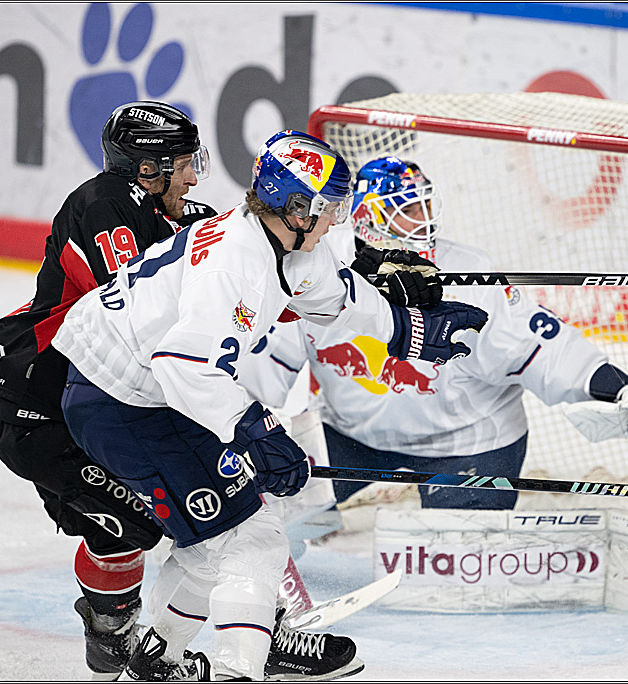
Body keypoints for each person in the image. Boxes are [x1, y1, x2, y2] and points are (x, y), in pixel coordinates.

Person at [51, 131, 487, 681]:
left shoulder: (283, 242)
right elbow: (184, 364)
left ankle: (156, 655)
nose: (337, 220)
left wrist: (409, 331)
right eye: (329, 207)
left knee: (225, 539)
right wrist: (254, 429)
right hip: (124, 400)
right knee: (252, 537)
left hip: (142, 395)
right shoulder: (234, 263)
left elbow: (337, 298)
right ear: (297, 208)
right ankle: (236, 669)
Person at [258, 156, 628, 512]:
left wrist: (624, 390)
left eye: (427, 204)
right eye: (410, 209)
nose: (425, 218)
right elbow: (265, 361)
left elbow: (544, 347)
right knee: (269, 514)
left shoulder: (468, 275)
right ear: (369, 217)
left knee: (450, 567)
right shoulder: (319, 268)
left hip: (469, 445)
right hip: (351, 438)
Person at [0, 100, 214, 680]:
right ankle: (121, 637)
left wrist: (368, 268)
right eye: (181, 164)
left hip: (92, 403)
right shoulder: (106, 204)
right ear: (145, 169)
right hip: (38, 407)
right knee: (141, 519)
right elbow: (136, 317)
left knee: (140, 519)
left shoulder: (168, 213)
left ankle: (118, 640)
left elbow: (257, 250)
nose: (193, 175)